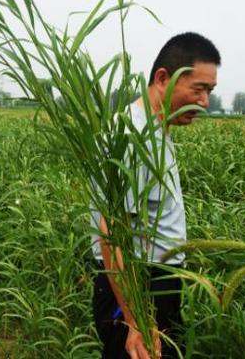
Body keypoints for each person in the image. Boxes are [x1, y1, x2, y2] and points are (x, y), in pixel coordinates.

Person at [91, 32, 221, 359]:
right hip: (138, 287)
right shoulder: (133, 135)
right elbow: (113, 232)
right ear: (162, 78)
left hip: (153, 285)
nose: (205, 102)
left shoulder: (155, 129)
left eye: (210, 91)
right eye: (199, 89)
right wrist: (135, 320)